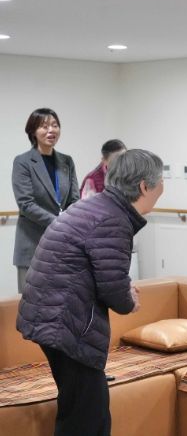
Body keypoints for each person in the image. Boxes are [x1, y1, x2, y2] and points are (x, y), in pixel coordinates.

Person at [16, 149, 164, 436]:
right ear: (144, 186)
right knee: (87, 418)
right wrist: (128, 298)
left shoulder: (96, 206)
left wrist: (121, 286)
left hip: (50, 316)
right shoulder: (113, 219)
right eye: (161, 181)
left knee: (82, 411)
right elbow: (113, 289)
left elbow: (99, 272)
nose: (162, 187)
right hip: (65, 323)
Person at [12, 108, 79, 294]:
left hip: (63, 244)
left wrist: (70, 220)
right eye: (44, 126)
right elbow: (26, 204)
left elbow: (74, 199)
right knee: (32, 301)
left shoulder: (67, 161)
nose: (51, 130)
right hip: (32, 244)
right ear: (33, 131)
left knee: (62, 299)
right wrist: (59, 222)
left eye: (55, 125)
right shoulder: (23, 162)